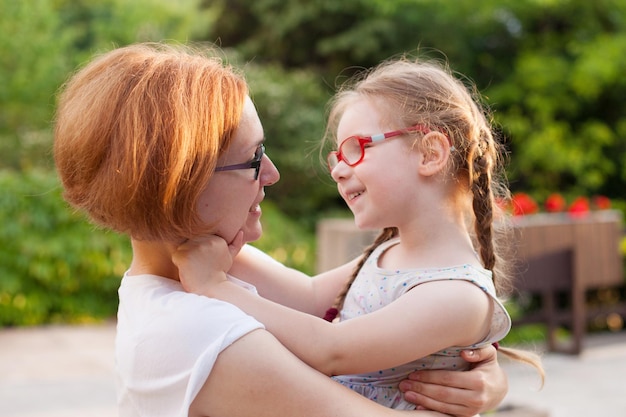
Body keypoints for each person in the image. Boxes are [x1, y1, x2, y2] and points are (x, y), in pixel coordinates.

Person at [53, 43, 509, 417]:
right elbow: (324, 330)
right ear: (179, 184)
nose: (271, 174)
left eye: (356, 150)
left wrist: (486, 375)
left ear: (431, 154)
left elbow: (310, 303)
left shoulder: (185, 274)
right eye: (253, 159)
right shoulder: (199, 330)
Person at [173, 57, 545, 410]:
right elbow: (308, 294)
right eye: (337, 156)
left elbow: (333, 350)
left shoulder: (458, 295)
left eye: (356, 148)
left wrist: (213, 286)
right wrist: (220, 249)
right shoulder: (393, 252)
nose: (337, 171)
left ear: (430, 153)